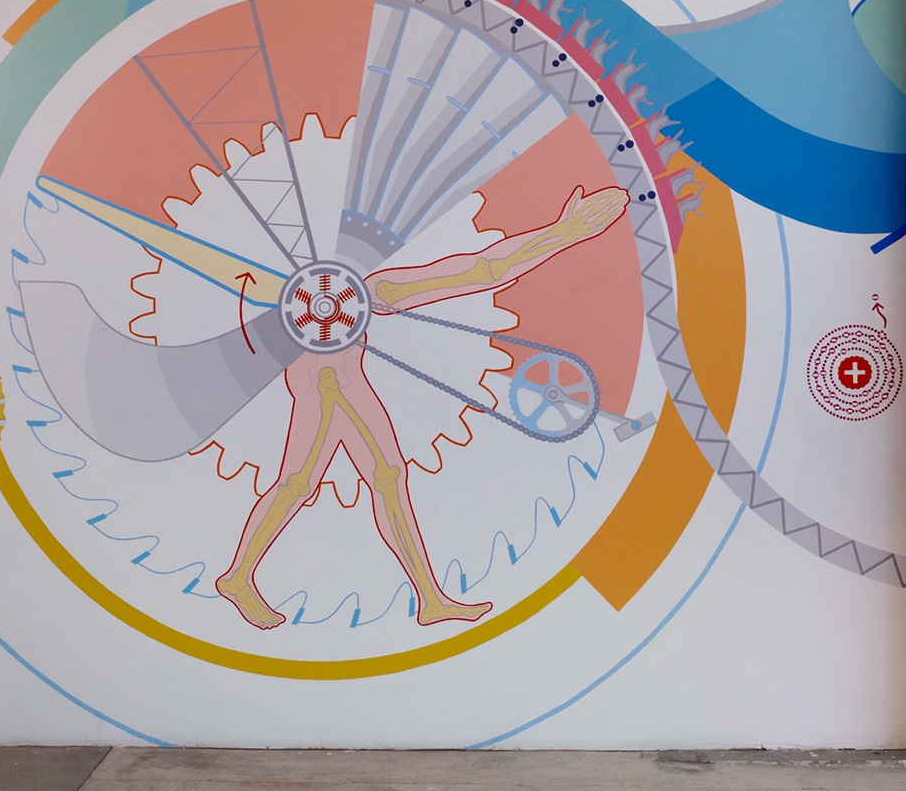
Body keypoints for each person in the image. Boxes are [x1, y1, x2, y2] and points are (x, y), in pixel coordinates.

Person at [215, 184, 627, 630]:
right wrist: (563, 233)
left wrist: (562, 233)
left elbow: (484, 270)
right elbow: (486, 270)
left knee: (346, 480)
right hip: (328, 379)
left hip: (333, 378)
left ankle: (425, 598)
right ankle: (245, 578)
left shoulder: (373, 289)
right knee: (330, 480)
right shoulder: (362, 290)